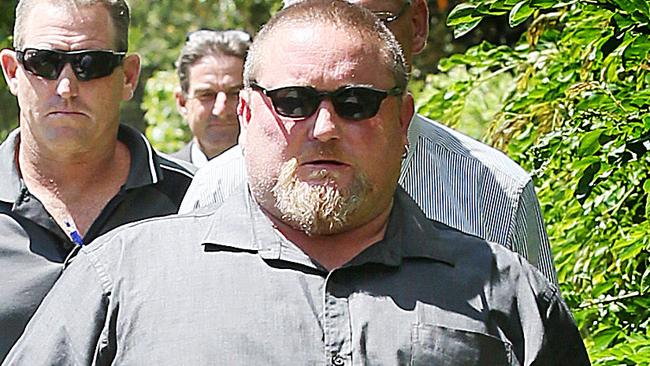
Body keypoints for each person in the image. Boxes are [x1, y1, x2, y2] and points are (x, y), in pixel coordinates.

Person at [5, 1, 589, 364]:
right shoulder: (120, 279)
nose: (325, 128)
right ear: (248, 113)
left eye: (357, 103)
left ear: (403, 119)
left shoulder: (506, 295)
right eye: (293, 101)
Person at [179, 0, 559, 283]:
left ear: (418, 25)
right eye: (320, 15)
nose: (342, 38)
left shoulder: (496, 193)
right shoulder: (218, 187)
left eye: (373, 19)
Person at [0, 0, 194, 360]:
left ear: (129, 77)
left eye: (91, 64)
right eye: (44, 62)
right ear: (13, 71)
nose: (65, 88)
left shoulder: (194, 204)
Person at [171, 29, 251, 168]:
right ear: (182, 103)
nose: (221, 110)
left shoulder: (284, 179)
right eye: (206, 95)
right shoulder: (160, 182)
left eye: (234, 94)